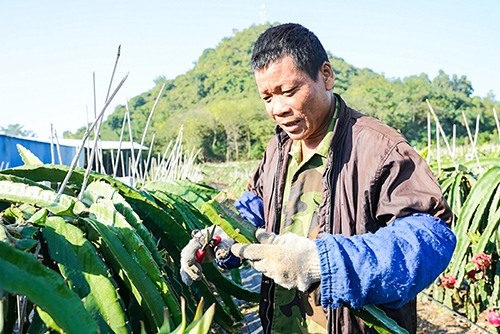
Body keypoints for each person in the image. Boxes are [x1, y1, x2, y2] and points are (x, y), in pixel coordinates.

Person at [181, 23, 456, 334]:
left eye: (289, 91)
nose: (279, 109)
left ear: (326, 75)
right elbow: (258, 204)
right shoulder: (278, 148)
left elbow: (430, 236)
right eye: (267, 97)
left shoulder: (379, 148)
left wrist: (323, 262)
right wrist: (223, 237)